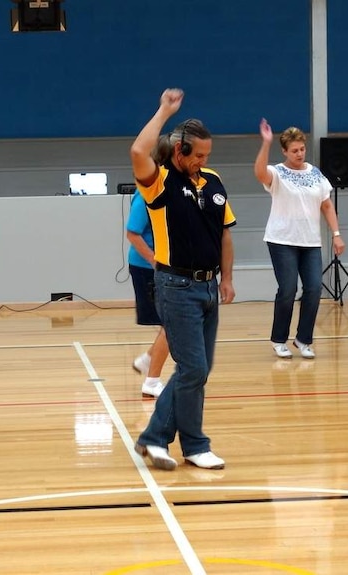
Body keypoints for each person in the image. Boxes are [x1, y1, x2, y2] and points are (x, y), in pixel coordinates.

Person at [131, 88, 236, 471]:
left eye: (208, 155)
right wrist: (163, 111)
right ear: (180, 152)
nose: (204, 161)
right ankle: (156, 439)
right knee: (193, 369)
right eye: (199, 155)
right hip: (175, 287)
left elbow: (225, 233)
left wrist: (226, 278)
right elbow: (138, 152)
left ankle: (191, 445)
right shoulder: (158, 183)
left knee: (200, 371)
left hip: (209, 286)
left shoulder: (212, 180)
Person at [253, 119, 344, 360]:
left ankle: (303, 339)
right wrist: (266, 143)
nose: (299, 153)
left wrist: (336, 234)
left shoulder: (315, 173)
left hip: (311, 242)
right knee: (288, 289)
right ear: (284, 151)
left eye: (302, 149)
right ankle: (279, 339)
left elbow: (326, 204)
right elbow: (259, 173)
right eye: (294, 150)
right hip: (281, 240)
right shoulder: (277, 173)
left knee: (314, 288)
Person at [126, 190, 169, 399]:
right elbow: (132, 232)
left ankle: (147, 360)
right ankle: (151, 381)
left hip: (169, 267)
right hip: (147, 268)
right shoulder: (146, 195)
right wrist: (155, 261)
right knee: (174, 324)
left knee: (173, 323)